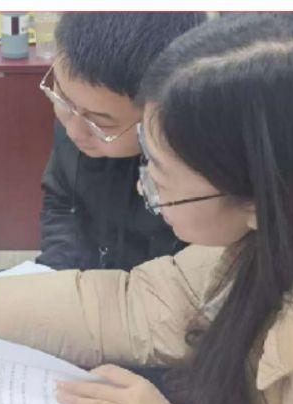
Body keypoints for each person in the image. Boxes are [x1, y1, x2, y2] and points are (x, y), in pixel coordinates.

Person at [0, 14, 293, 404]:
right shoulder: (262, 235)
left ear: (256, 200)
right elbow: (140, 304)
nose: (147, 188)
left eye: (160, 176)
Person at [38, 12, 204, 271]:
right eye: (62, 99)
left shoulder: (197, 173)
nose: (74, 131)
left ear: (161, 112)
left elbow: (188, 277)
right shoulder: (80, 114)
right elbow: (61, 203)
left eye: (101, 124)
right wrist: (58, 272)